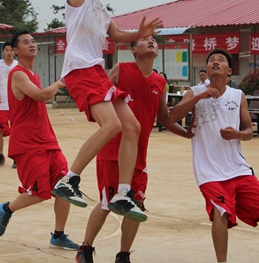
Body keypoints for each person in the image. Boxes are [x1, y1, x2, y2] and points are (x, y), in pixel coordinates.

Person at [52, 0, 162, 223]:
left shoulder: (98, 4)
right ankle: (69, 179)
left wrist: (140, 33)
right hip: (80, 69)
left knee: (132, 127)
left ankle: (123, 194)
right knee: (113, 125)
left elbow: (117, 34)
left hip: (95, 70)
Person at [76, 36, 193, 263]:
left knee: (136, 205)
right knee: (107, 202)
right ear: (133, 49)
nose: (151, 42)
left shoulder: (160, 82)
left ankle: (123, 255)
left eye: (153, 40)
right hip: (112, 151)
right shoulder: (121, 70)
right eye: (144, 40)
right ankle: (85, 248)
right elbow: (99, 95)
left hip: (139, 156)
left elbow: (164, 118)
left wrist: (186, 133)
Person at [168, 49, 259, 263]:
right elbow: (171, 117)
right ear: (206, 69)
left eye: (220, 60)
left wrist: (238, 134)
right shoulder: (194, 92)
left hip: (238, 169)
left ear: (229, 71)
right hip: (210, 171)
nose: (215, 62)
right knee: (220, 212)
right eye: (211, 60)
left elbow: (249, 131)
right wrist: (199, 97)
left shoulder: (237, 95)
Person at [0, 31, 79, 251]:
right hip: (28, 143)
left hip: (48, 140)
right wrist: (59, 83)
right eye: (25, 42)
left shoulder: (34, 75)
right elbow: (41, 95)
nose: (31, 44)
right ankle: (6, 209)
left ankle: (58, 235)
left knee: (64, 186)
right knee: (40, 192)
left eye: (33, 41)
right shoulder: (17, 74)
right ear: (15, 50)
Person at [0, 41, 18, 168]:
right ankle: (0, 155)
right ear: (3, 51)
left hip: (15, 105)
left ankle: (16, 156)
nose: (9, 52)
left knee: (16, 131)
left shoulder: (18, 65)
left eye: (11, 50)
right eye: (7, 50)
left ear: (15, 52)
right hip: (0, 105)